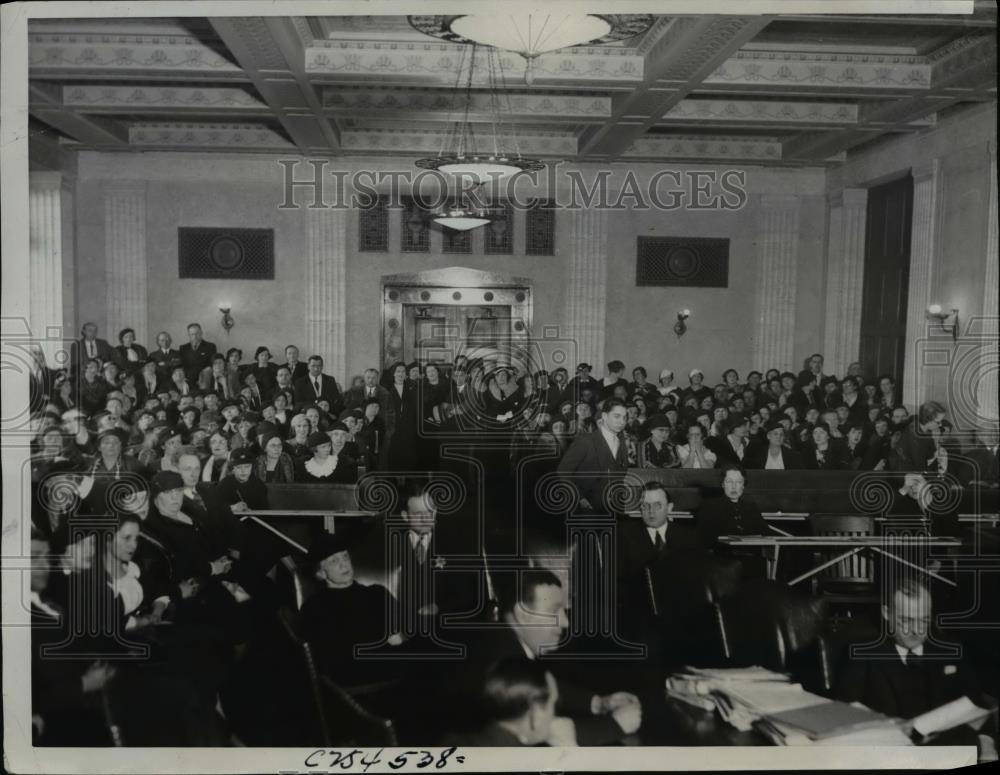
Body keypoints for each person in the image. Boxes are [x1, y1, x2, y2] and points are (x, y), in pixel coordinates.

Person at [458, 570, 641, 745]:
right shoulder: (499, 660)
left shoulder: (503, 644)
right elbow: (539, 736)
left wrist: (598, 703)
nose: (565, 622)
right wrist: (615, 725)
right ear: (523, 614)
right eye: (554, 611)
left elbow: (538, 687)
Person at [834, 577, 994, 757]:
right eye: (907, 621)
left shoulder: (950, 650)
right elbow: (844, 711)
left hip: (950, 752)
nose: (917, 630)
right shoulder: (862, 655)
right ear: (887, 613)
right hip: (890, 755)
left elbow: (976, 703)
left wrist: (987, 744)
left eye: (924, 621)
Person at [299, 532, 402, 685]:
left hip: (397, 669)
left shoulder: (376, 593)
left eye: (345, 556)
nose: (344, 564)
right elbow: (330, 659)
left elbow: (408, 625)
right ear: (320, 573)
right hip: (358, 681)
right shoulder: (315, 607)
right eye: (334, 561)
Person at [443, 658, 567, 746]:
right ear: (535, 711)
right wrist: (570, 750)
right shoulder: (529, 765)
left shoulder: (451, 743)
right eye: (553, 704)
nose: (554, 714)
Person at [557, 399, 630, 513]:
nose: (622, 421)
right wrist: (579, 498)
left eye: (625, 417)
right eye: (617, 416)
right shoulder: (586, 440)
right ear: (605, 416)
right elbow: (563, 471)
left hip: (615, 509)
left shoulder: (622, 441)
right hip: (587, 510)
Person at [694, 465, 768, 547]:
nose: (734, 487)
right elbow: (704, 540)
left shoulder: (751, 507)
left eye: (739, 482)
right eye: (729, 482)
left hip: (752, 555)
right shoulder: (710, 506)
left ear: (743, 485)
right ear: (723, 484)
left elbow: (766, 533)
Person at [892, 400, 948, 473]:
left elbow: (930, 454)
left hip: (918, 469)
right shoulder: (914, 434)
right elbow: (920, 466)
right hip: (906, 473)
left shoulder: (925, 429)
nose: (940, 425)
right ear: (928, 420)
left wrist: (935, 441)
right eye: (938, 422)